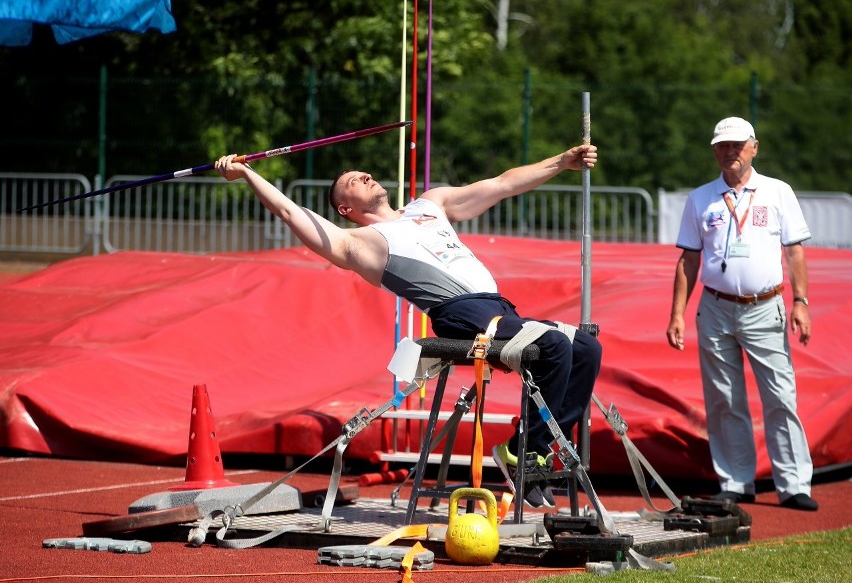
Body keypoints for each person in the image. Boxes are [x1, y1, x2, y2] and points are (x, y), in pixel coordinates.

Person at [215, 142, 602, 508]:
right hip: (460, 313)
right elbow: (289, 213)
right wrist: (248, 175)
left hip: (500, 309)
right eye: (353, 181)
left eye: (364, 174)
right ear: (345, 209)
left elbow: (501, 184)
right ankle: (523, 452)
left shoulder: (431, 204)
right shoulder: (359, 242)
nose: (365, 177)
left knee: (586, 348)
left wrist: (561, 161)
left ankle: (536, 445)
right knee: (552, 346)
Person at [666, 117, 817, 511]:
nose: (729, 151)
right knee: (723, 399)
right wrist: (677, 314)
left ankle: (794, 484)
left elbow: (795, 250)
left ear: (754, 147)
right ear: (714, 150)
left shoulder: (777, 192)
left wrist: (801, 302)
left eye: (737, 144)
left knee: (780, 395)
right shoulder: (701, 198)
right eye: (722, 145)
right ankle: (736, 481)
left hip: (765, 306)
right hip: (715, 308)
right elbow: (689, 259)